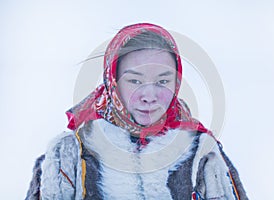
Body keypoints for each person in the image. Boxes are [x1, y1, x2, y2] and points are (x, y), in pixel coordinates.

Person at [26, 23, 248, 200]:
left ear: (176, 82)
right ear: (113, 82)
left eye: (163, 80)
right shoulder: (68, 154)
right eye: (134, 80)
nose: (149, 95)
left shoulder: (202, 154)